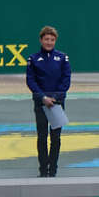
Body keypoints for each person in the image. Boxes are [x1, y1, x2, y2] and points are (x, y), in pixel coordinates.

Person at [26, 24, 71, 177]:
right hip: (41, 103)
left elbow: (66, 80)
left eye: (52, 40)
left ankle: (53, 170)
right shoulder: (33, 59)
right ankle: (43, 170)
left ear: (55, 41)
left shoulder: (62, 58)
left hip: (57, 104)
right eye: (46, 39)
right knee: (42, 137)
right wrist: (43, 97)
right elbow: (31, 81)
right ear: (41, 40)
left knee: (56, 138)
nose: (49, 42)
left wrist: (55, 98)